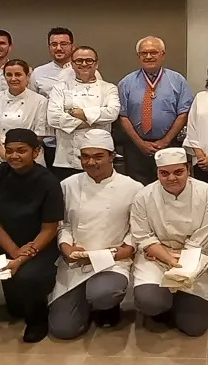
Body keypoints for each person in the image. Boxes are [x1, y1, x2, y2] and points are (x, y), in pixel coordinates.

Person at [48, 129, 142, 340]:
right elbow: (63, 224)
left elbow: (136, 228)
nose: (91, 162)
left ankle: (105, 305)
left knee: (103, 294)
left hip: (111, 260)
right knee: (63, 330)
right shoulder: (67, 185)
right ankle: (83, 303)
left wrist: (127, 249)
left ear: (111, 156)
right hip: (75, 262)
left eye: (98, 156)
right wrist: (66, 246)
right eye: (85, 156)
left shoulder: (133, 187)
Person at [0, 129, 64, 343]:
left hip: (38, 244)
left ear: (36, 152)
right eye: (9, 151)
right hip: (4, 240)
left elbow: (49, 228)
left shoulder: (48, 181)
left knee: (28, 277)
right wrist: (14, 251)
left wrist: (21, 257)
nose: (14, 156)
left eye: (21, 151)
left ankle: (38, 320)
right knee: (15, 308)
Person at [130, 147, 208, 337]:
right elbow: (143, 236)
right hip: (156, 259)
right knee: (150, 302)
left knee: (194, 328)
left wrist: (179, 260)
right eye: (164, 173)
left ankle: (179, 301)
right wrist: (167, 258)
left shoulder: (207, 193)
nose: (171, 178)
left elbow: (202, 238)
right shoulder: (143, 197)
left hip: (194, 257)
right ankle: (163, 304)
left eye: (178, 172)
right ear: (157, 173)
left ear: (188, 170)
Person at [118, 36, 194, 185]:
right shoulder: (126, 82)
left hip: (170, 144)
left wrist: (165, 141)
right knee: (138, 187)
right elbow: (123, 116)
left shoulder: (178, 80)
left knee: (170, 185)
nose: (148, 56)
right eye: (144, 53)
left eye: (153, 52)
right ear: (138, 56)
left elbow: (183, 113)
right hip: (136, 147)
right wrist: (140, 143)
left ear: (163, 54)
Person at [29, 28, 103, 167]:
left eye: (63, 44)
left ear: (72, 46)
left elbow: (96, 106)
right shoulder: (38, 73)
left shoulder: (91, 72)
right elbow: (33, 104)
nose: (58, 48)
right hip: (48, 140)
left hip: (82, 138)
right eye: (54, 44)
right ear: (49, 47)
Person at [0, 59, 50, 168]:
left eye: (18, 74)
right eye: (9, 75)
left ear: (27, 76)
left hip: (30, 159)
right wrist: (4, 154)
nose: (13, 78)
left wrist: (20, 154)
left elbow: (39, 134)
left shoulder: (40, 101)